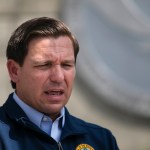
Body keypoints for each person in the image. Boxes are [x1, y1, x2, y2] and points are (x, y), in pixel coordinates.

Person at [0, 17, 119, 150]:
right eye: (44, 65)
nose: (58, 77)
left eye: (66, 65)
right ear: (14, 71)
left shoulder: (102, 140)